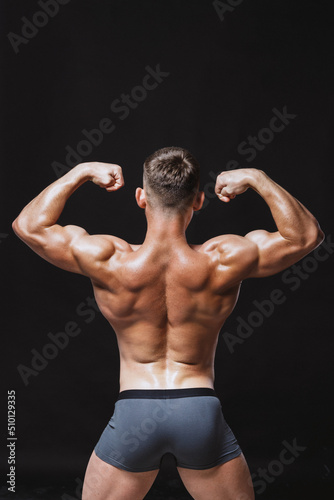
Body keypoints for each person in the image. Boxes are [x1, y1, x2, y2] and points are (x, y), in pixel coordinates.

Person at [12, 147, 324, 500]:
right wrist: (257, 179)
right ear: (199, 200)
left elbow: (29, 226)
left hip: (135, 409)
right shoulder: (223, 259)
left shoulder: (108, 259)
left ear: (141, 198)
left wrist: (80, 172)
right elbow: (305, 236)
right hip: (199, 410)